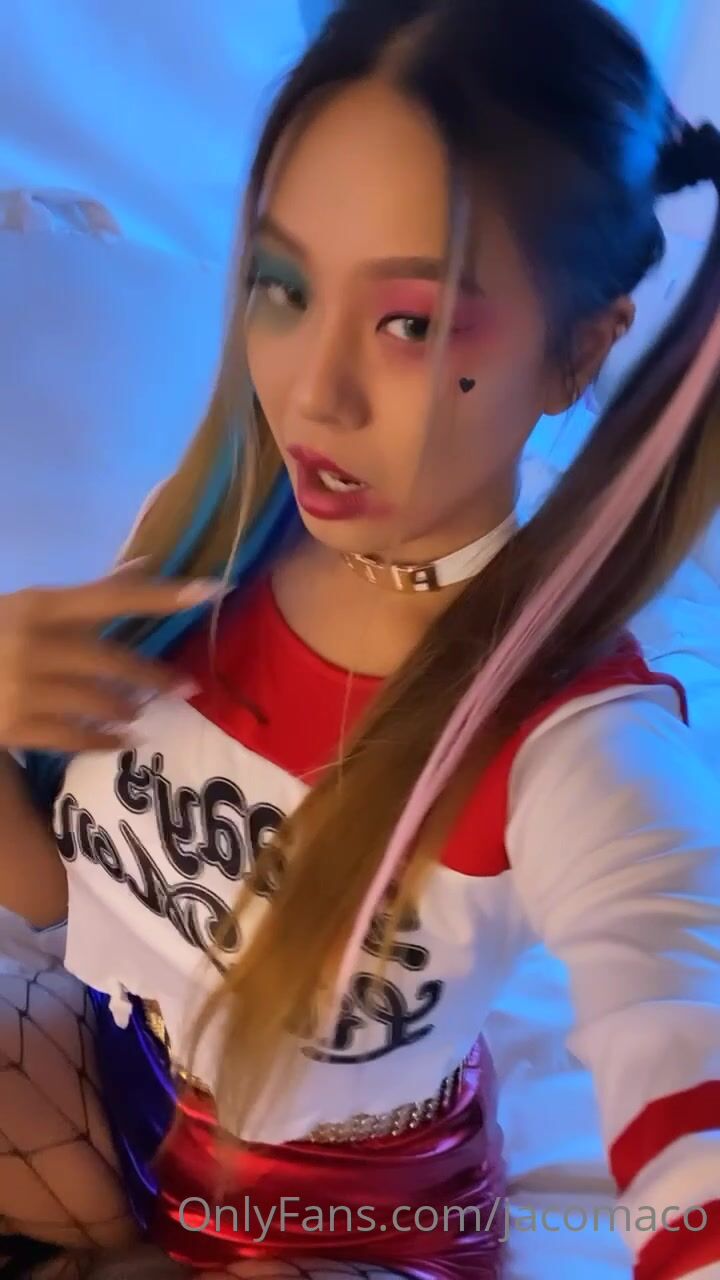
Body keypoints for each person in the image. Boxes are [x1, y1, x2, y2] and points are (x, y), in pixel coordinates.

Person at [0, 0, 719, 1275]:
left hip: (348, 1224)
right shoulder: (221, 530)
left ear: (580, 351)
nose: (313, 390)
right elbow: (74, 898)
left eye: (410, 322)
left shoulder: (570, 735)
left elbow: (672, 1004)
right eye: (285, 288)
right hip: (120, 1101)